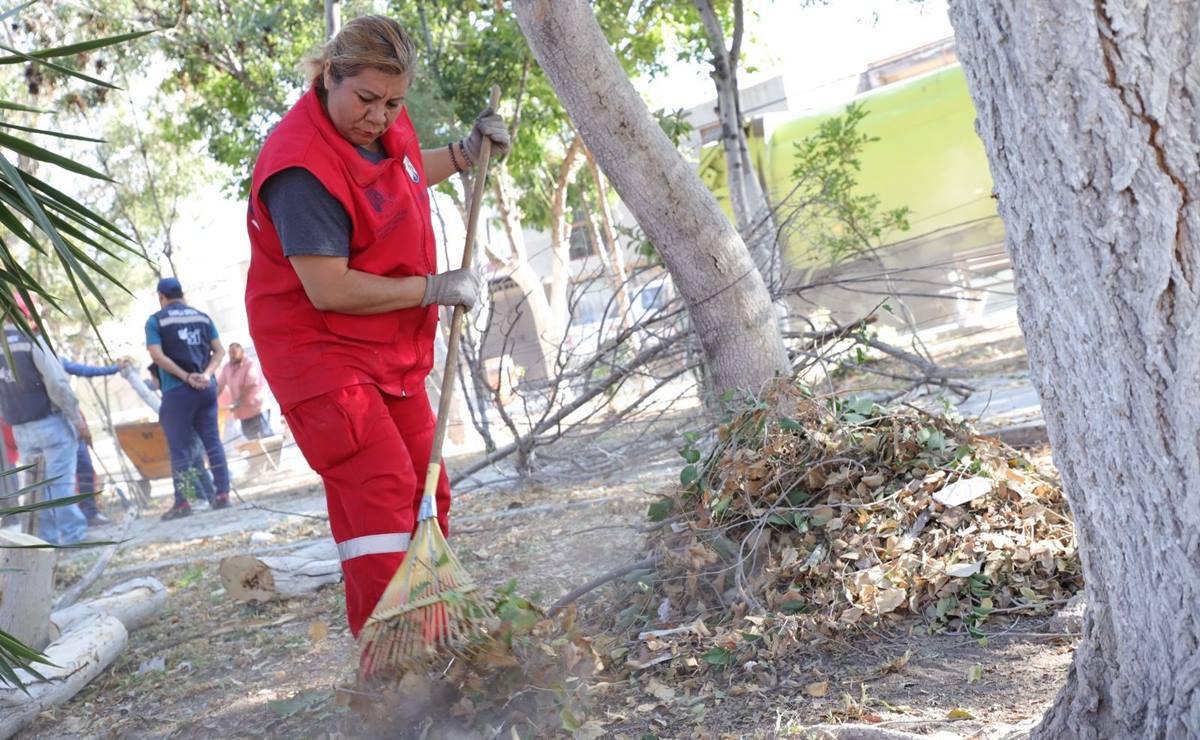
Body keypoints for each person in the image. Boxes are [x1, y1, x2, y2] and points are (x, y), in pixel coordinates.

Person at [244, 15, 509, 637]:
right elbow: (329, 289)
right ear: (329, 75)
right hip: (324, 363)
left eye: (393, 103)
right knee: (384, 507)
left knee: (427, 495)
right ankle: (396, 674)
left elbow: (403, 174)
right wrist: (434, 289)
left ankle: (437, 639)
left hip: (387, 355)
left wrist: (467, 155)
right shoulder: (300, 169)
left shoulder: (381, 124)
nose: (380, 116)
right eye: (366, 99)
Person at [145, 277, 231, 520]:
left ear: (161, 297)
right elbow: (220, 350)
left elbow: (157, 356)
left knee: (180, 449)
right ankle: (223, 494)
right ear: (182, 294)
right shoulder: (202, 317)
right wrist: (205, 375)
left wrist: (185, 377)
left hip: (176, 391)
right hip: (206, 390)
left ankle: (183, 503)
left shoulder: (156, 321)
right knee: (213, 442)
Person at [0, 320, 88, 544]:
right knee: (60, 482)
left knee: (36, 485)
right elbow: (57, 383)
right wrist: (76, 419)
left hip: (20, 428)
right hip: (50, 423)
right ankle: (73, 537)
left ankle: (45, 540)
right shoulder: (32, 341)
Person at [147, 363, 217, 504]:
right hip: (195, 437)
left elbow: (145, 392)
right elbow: (147, 387)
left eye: (153, 378)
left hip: (190, 437)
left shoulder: (174, 396)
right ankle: (211, 496)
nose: (153, 381)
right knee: (198, 466)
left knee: (188, 465)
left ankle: (201, 498)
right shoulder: (179, 391)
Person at [217, 342, 274, 440]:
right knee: (251, 439)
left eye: (234, 352)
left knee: (266, 437)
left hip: (258, 408)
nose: (232, 355)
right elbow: (220, 386)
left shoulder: (250, 364)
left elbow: (249, 386)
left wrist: (238, 401)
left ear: (242, 352)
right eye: (230, 353)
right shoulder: (227, 367)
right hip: (242, 412)